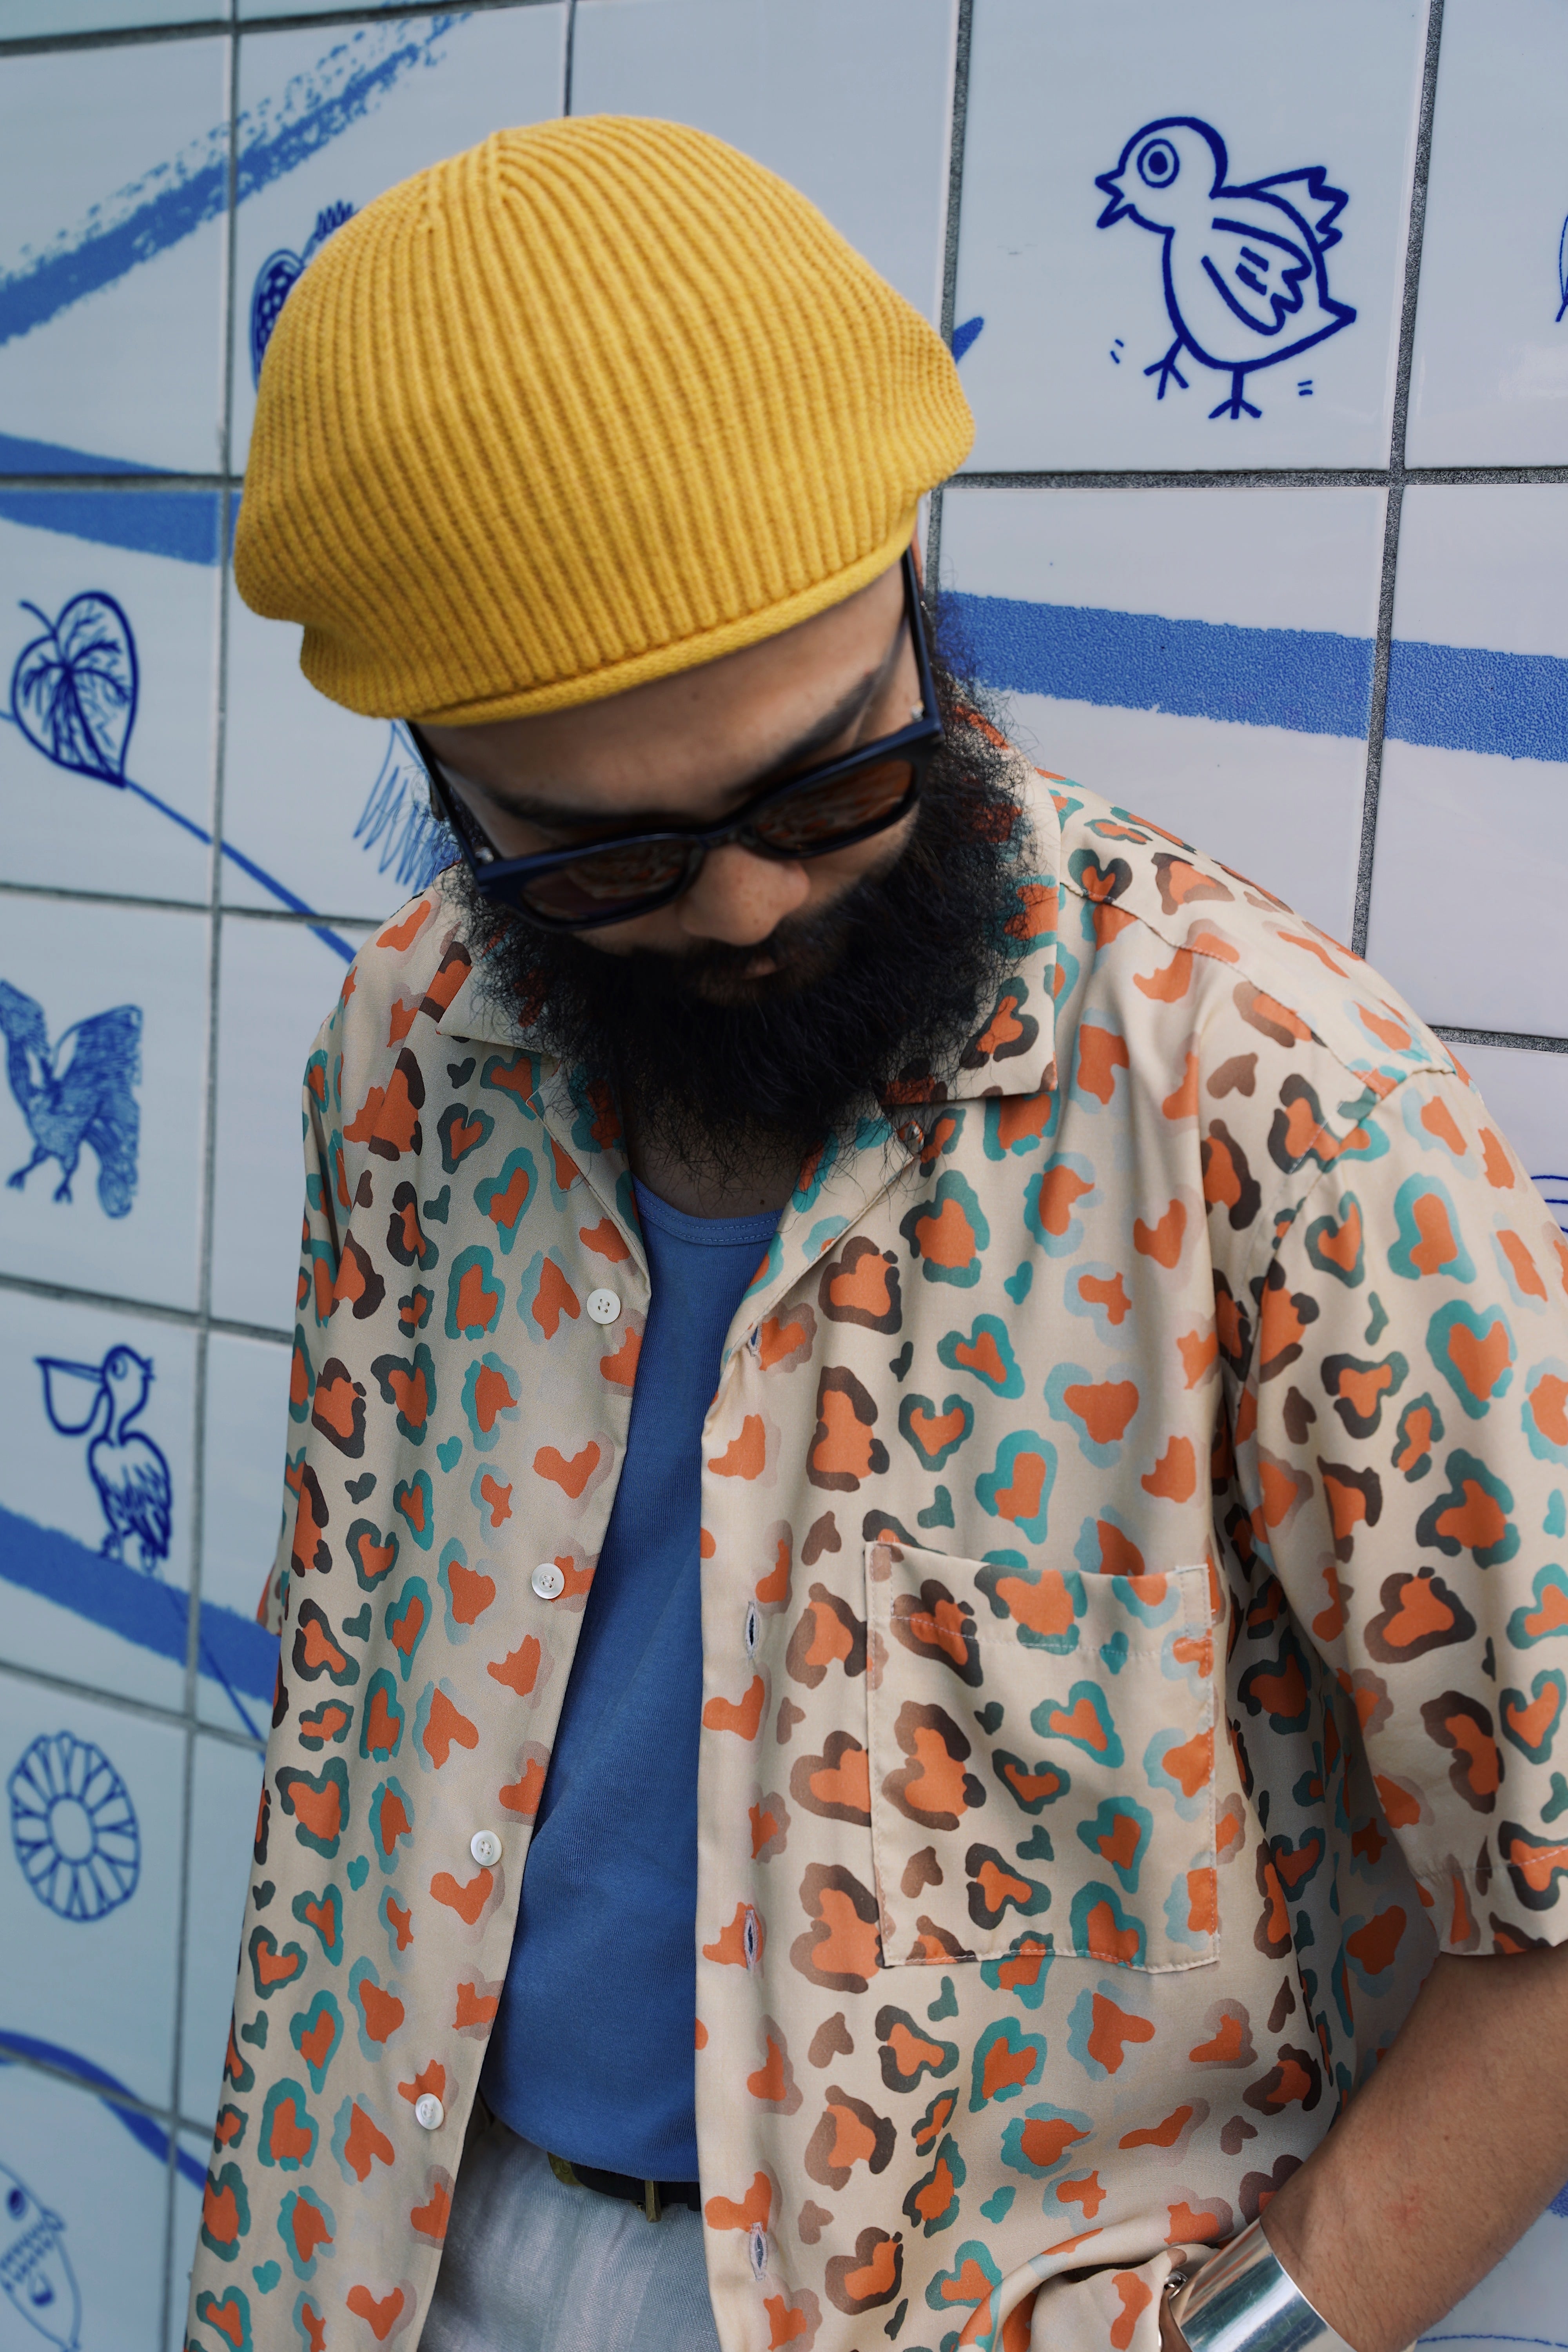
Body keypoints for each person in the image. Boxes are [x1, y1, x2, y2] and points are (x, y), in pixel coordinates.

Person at [185, 116, 1568, 2352]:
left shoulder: (1262, 1090)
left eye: (832, 780)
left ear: (911, 583)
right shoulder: (412, 1046)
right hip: (389, 2253)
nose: (748, 904)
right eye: (603, 863)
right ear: (439, 775)